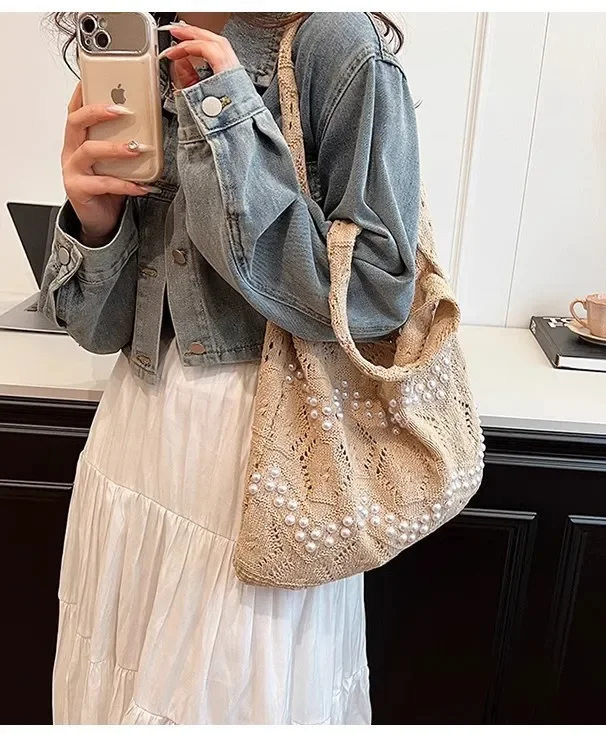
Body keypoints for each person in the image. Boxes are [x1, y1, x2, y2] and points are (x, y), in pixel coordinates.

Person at [42, 12, 419, 725]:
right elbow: (102, 330)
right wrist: (95, 221)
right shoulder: (150, 38)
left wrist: (230, 119)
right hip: (134, 440)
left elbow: (374, 295)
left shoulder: (333, 43)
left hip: (260, 456)